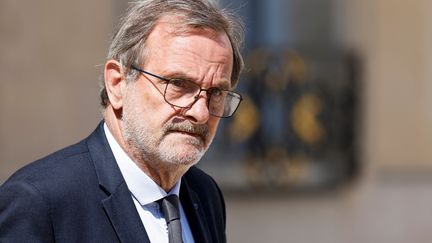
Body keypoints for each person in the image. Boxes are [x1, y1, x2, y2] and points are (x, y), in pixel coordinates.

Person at [0, 0, 244, 242]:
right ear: (117, 84)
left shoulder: (204, 194)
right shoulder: (38, 202)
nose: (200, 113)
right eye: (178, 84)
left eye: (217, 93)